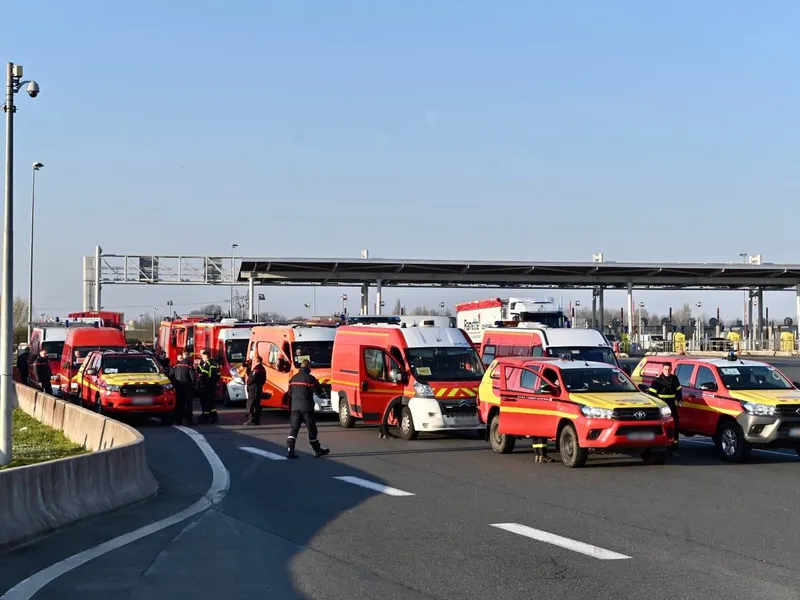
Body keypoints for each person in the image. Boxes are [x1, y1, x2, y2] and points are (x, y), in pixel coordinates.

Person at [286, 359, 329, 458]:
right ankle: (317, 450)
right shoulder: (310, 378)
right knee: (312, 429)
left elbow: (289, 393)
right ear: (308, 367)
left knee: (294, 429)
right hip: (307, 408)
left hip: (295, 408)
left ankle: (290, 450)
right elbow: (318, 391)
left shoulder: (293, 379)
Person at [648, 363, 682, 457]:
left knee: (675, 425)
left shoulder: (675, 379)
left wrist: (678, 400)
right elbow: (651, 394)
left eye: (669, 369)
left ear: (671, 370)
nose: (667, 371)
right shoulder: (657, 380)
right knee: (662, 426)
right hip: (661, 406)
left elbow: (679, 391)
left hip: (672, 405)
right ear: (662, 369)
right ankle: (659, 445)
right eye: (666, 369)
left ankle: (674, 446)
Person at [169, 350, 196, 426]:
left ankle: (178, 420)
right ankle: (189, 421)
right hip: (188, 387)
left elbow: (171, 375)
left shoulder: (176, 365)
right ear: (187, 356)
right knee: (188, 404)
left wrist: (174, 384)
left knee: (179, 404)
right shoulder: (189, 365)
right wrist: (194, 385)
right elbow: (192, 376)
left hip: (178, 387)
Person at [196, 349, 220, 424]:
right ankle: (213, 416)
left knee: (205, 401)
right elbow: (218, 375)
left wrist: (201, 382)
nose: (202, 358)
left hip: (206, 385)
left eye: (203, 356)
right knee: (210, 401)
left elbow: (204, 374)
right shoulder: (215, 363)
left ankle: (206, 416)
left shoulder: (207, 364)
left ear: (206, 357)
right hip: (212, 384)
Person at [244, 355, 266, 426]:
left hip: (253, 388)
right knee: (257, 403)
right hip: (259, 387)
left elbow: (251, 378)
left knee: (251, 403)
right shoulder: (263, 368)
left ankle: (251, 420)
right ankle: (257, 420)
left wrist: (248, 384)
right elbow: (264, 379)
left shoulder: (257, 368)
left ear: (256, 361)